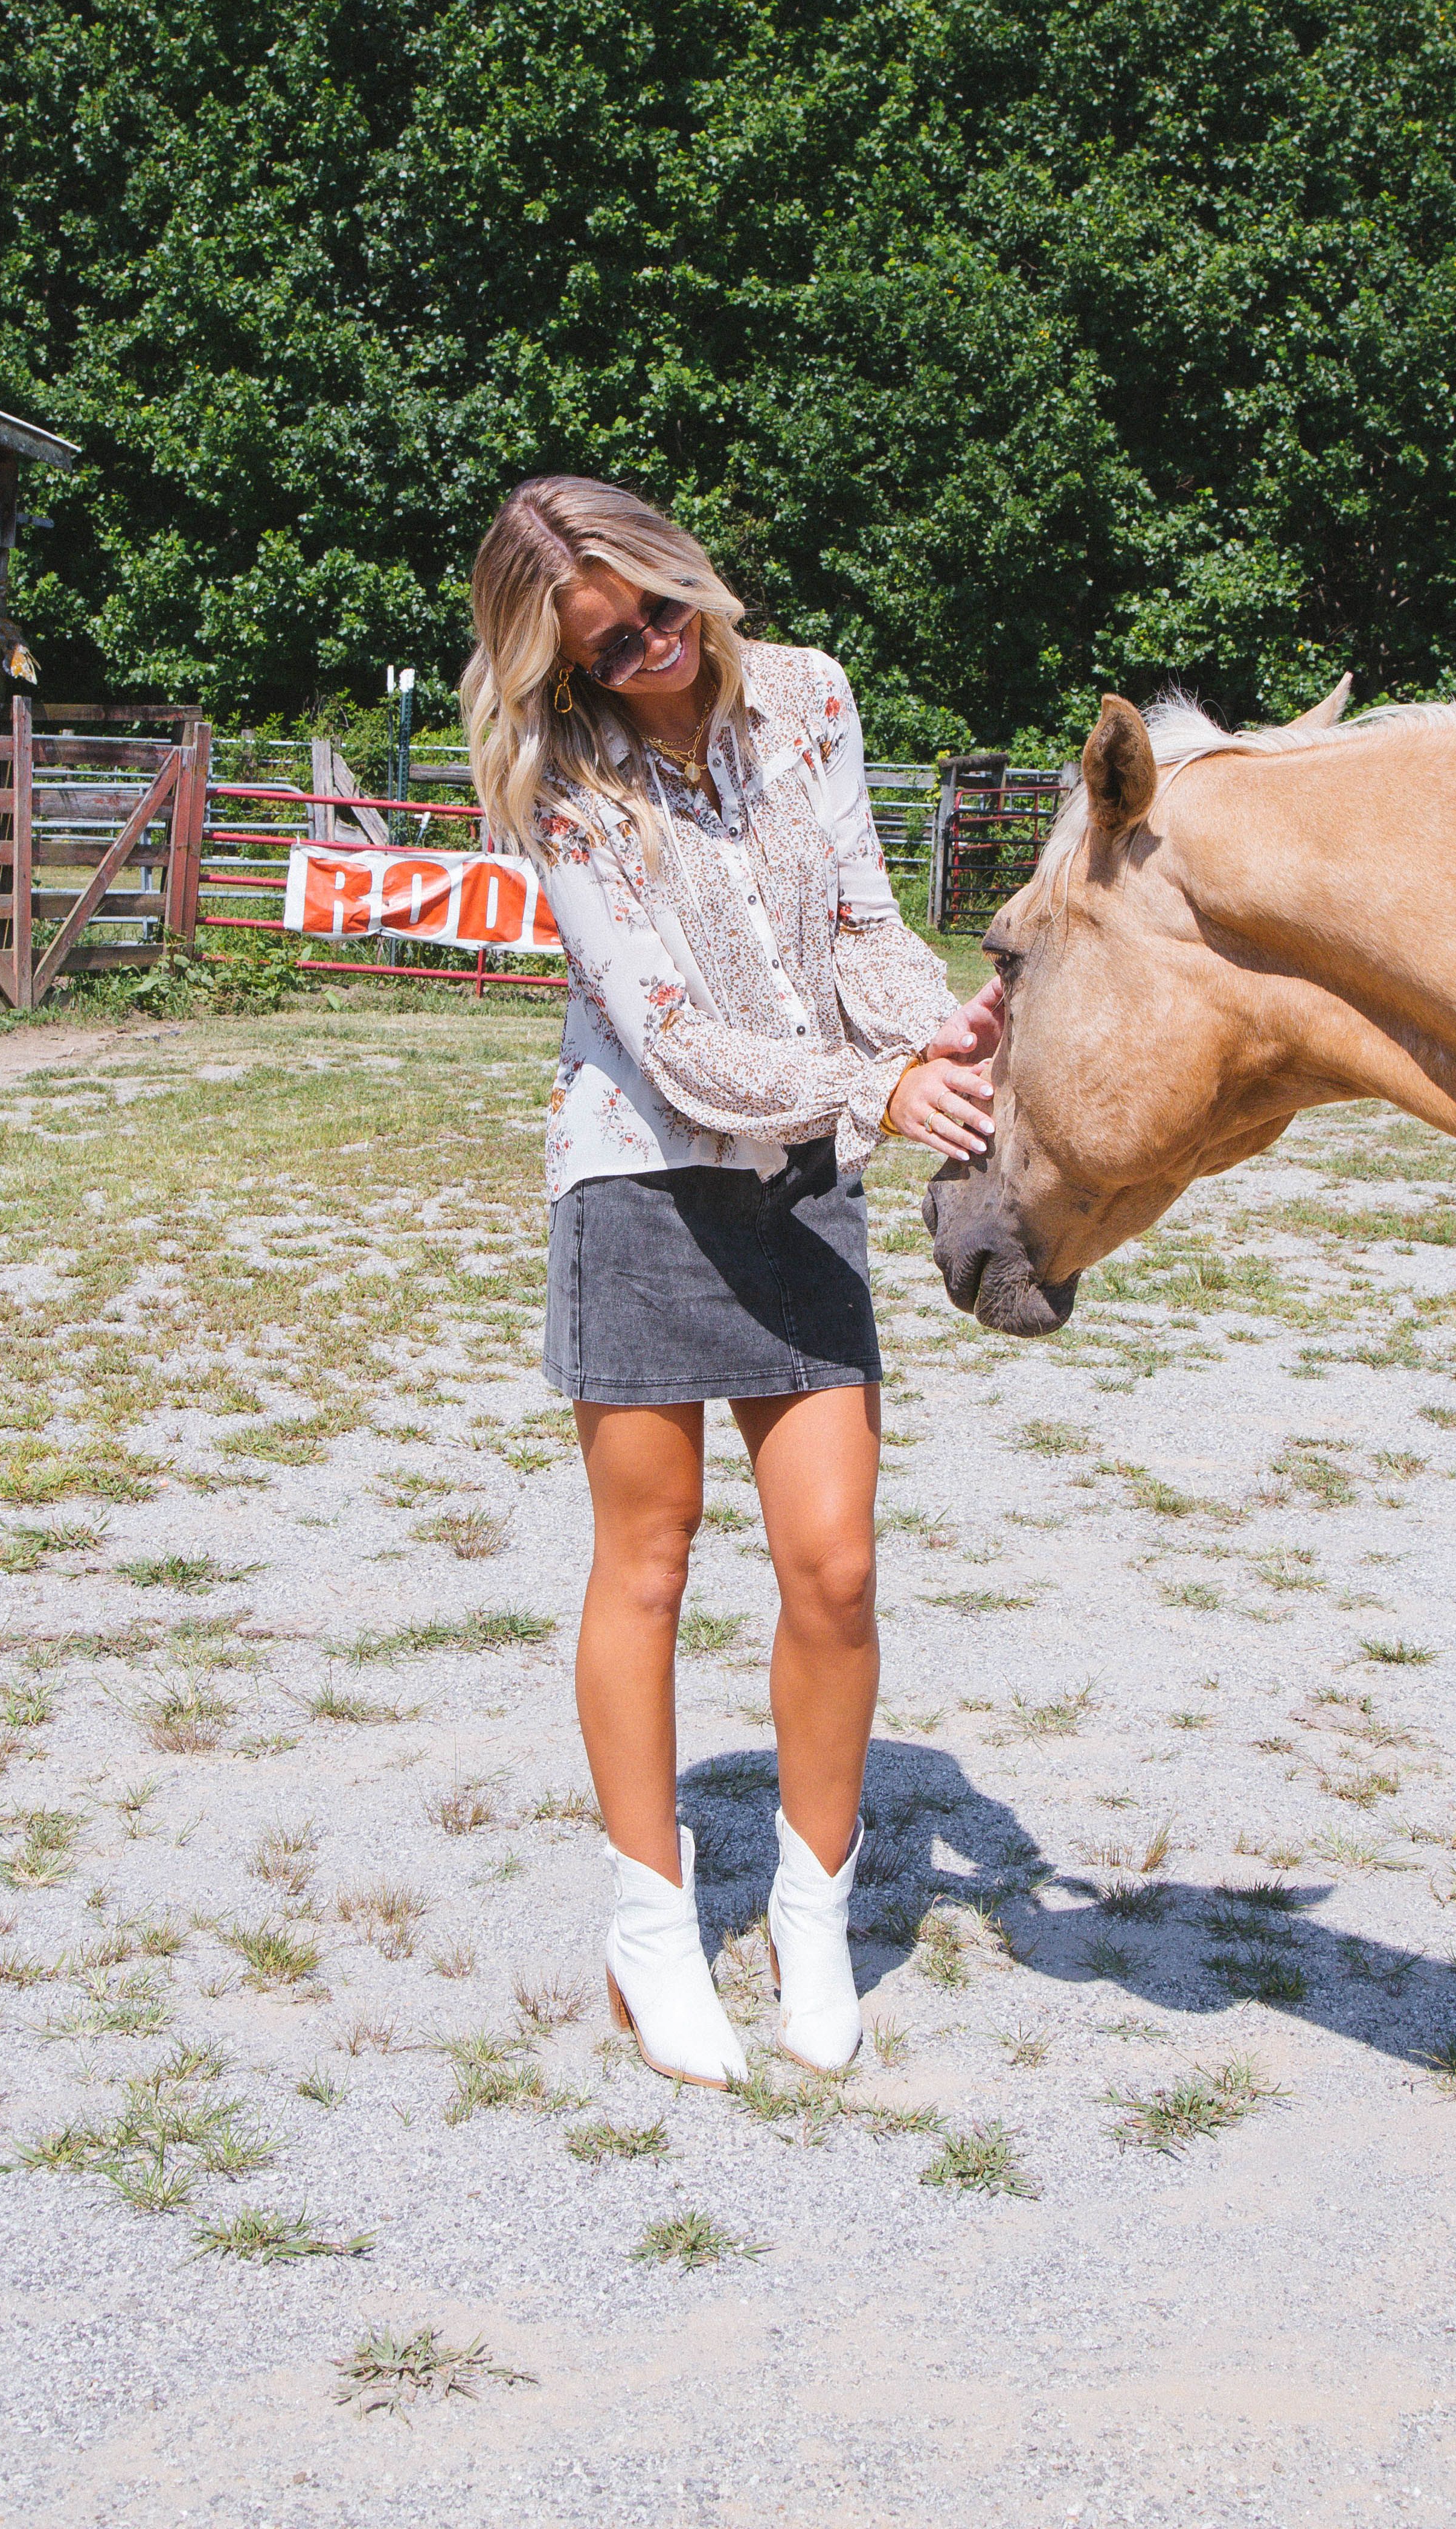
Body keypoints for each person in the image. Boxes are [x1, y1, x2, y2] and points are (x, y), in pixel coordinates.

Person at [461, 476, 1001, 2086]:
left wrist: (934, 1033)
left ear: (691, 575)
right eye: (610, 640)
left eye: (659, 607)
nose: (651, 646)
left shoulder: (812, 697)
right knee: (649, 1558)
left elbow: (860, 923)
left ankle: (816, 1917)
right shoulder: (563, 777)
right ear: (558, 663)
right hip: (637, 1173)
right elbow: (673, 1036)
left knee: (833, 1566)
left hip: (798, 1180)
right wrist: (874, 1091)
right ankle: (650, 1925)